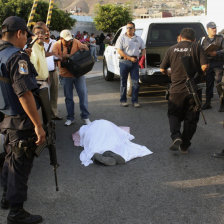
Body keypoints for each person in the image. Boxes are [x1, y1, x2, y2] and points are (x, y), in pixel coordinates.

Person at [0, 16, 45, 223]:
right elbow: (24, 93)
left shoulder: (5, 54)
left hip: (6, 117)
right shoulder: (18, 58)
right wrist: (38, 125)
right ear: (19, 33)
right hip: (21, 120)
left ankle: (6, 198)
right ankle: (16, 212)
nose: (27, 38)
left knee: (10, 160)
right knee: (20, 165)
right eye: (26, 34)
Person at [160, 28, 208, 153]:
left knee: (174, 114)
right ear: (194, 39)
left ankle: (176, 136)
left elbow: (162, 69)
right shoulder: (197, 47)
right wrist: (198, 74)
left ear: (180, 37)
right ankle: (185, 145)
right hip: (193, 89)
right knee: (191, 118)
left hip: (176, 90)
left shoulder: (172, 49)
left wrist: (170, 73)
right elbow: (205, 66)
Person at [52, 29, 91, 126]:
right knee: (68, 97)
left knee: (83, 95)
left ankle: (85, 117)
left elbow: (84, 49)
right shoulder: (56, 45)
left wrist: (85, 48)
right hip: (65, 75)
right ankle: (70, 118)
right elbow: (53, 57)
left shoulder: (76, 42)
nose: (69, 42)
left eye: (70, 39)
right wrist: (64, 56)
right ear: (61, 39)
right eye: (66, 40)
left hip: (78, 74)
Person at [115, 22, 146, 108]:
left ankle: (135, 101)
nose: (129, 29)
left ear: (134, 29)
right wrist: (129, 58)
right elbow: (119, 51)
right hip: (124, 62)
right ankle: (123, 100)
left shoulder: (138, 39)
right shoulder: (121, 38)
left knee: (135, 83)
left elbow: (143, 49)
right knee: (123, 82)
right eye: (128, 28)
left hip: (135, 63)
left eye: (131, 28)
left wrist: (140, 58)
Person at [36, 21, 62, 120]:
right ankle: (46, 116)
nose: (46, 34)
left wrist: (57, 58)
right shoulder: (38, 43)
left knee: (54, 93)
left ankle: (54, 113)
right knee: (44, 94)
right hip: (42, 73)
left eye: (48, 32)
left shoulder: (55, 43)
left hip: (53, 71)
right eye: (44, 32)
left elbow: (58, 55)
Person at [200, 22, 224, 111]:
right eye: (212, 28)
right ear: (208, 29)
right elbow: (201, 51)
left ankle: (222, 103)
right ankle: (208, 103)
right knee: (208, 84)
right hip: (208, 64)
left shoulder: (220, 38)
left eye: (215, 28)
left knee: (219, 84)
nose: (214, 29)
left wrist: (216, 53)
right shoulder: (204, 39)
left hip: (218, 63)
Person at [30, 25, 49, 89]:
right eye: (37, 33)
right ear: (32, 36)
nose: (40, 35)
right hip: (35, 84)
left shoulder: (42, 48)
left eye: (42, 33)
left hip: (43, 82)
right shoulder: (31, 48)